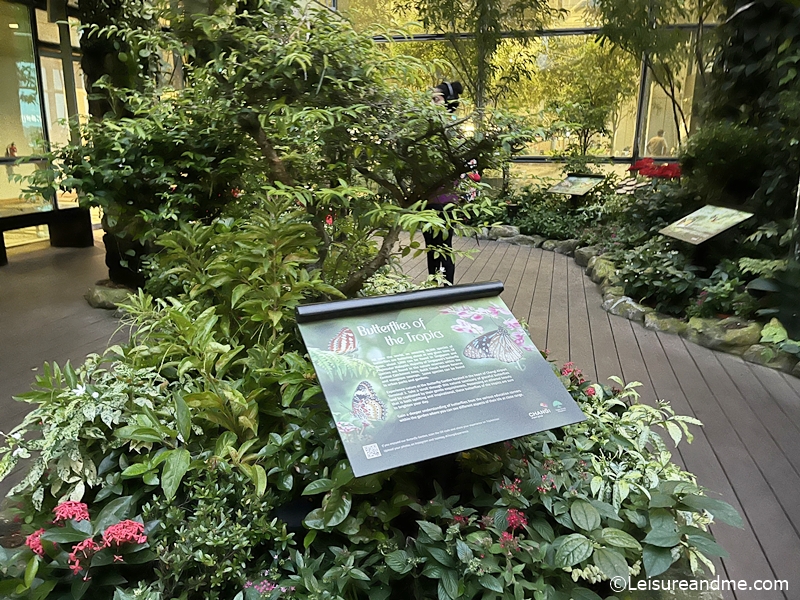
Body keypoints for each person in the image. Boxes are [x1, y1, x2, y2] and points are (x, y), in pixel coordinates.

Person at [424, 82, 464, 285]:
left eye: (436, 99)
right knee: (431, 248)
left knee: (444, 247)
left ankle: (447, 290)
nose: (431, 103)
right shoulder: (427, 128)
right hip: (425, 198)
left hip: (445, 199)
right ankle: (432, 288)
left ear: (448, 102)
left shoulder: (452, 129)